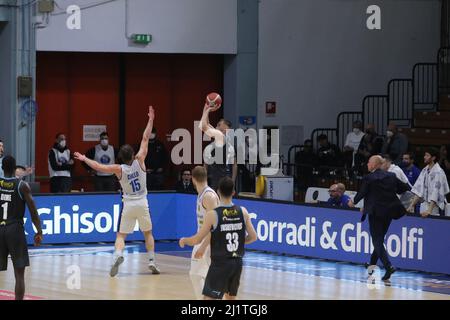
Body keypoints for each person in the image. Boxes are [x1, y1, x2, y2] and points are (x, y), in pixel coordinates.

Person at [74, 106, 160, 276]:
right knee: (148, 233)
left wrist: (84, 158)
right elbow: (145, 137)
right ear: (133, 154)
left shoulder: (118, 169)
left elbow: (99, 166)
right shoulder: (140, 160)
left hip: (128, 204)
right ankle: (151, 260)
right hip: (142, 202)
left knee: (121, 235)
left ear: (121, 157)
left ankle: (118, 256)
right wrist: (151, 119)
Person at [179, 177, 257, 300]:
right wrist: (240, 243)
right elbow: (253, 237)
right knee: (230, 299)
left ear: (218, 192)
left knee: (208, 299)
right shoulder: (243, 211)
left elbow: (197, 240)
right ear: (233, 192)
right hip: (236, 263)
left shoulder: (213, 215)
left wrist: (184, 240)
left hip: (220, 264)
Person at [351, 155, 410, 281]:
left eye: (368, 162)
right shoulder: (391, 176)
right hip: (389, 212)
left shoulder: (369, 178)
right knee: (379, 240)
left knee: (377, 241)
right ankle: (371, 267)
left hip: (376, 213)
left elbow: (362, 193)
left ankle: (388, 266)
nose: (367, 164)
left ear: (374, 164)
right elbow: (405, 187)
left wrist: (353, 202)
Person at [0, 155, 43, 300]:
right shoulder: (22, 185)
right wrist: (39, 231)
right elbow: (33, 211)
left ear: (2, 168)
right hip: (15, 229)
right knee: (19, 274)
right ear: (14, 169)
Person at [188, 166, 220, 299]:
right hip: (204, 239)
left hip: (210, 241)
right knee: (201, 275)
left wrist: (203, 245)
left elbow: (216, 226)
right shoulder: (202, 194)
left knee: (196, 274)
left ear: (193, 179)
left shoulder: (208, 196)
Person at [199, 103, 237, 191]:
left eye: (219, 124)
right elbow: (205, 123)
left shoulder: (221, 137)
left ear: (225, 129)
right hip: (216, 177)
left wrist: (208, 110)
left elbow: (204, 126)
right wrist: (206, 107)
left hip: (222, 178)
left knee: (219, 203)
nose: (217, 125)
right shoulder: (219, 136)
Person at [407, 148, 450, 217]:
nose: (424, 157)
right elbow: (418, 190)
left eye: (427, 155)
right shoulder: (424, 170)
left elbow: (436, 192)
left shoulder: (439, 172)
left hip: (435, 207)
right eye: (425, 155)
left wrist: (429, 210)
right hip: (424, 205)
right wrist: (410, 206)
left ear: (433, 158)